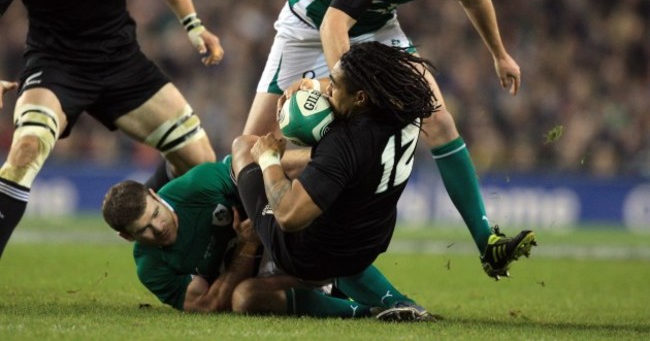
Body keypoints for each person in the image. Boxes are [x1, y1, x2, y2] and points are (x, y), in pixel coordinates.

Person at [242, 0, 534, 279]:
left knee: (440, 121)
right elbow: (333, 25)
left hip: (376, 28)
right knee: (251, 145)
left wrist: (500, 54)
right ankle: (238, 250)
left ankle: (487, 244)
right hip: (309, 27)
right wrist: (340, 86)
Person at [0, 0, 223, 259]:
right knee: (27, 147)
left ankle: (165, 237)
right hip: (55, 69)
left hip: (122, 64)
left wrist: (193, 25)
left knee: (201, 163)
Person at [232, 43, 472, 319]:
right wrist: (312, 83)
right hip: (369, 243)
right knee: (247, 297)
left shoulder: (343, 143)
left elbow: (288, 215)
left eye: (333, 85)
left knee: (244, 147)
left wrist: (269, 160)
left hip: (309, 254)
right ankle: (383, 307)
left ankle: (360, 309)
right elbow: (349, 100)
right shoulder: (405, 109)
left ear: (360, 98)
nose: (327, 89)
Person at [102, 156, 432, 321]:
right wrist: (248, 243)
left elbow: (255, 169)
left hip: (276, 237)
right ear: (125, 236)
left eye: (155, 214)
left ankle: (400, 303)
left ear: (155, 195)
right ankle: (363, 312)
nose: (157, 227)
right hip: (255, 268)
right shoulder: (150, 266)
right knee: (243, 299)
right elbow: (207, 306)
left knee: (306, 225)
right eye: (144, 230)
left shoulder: (197, 186)